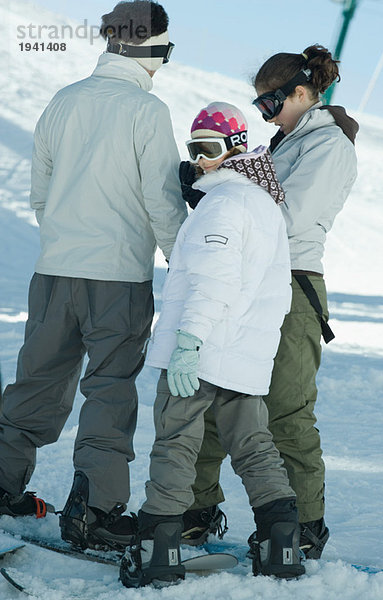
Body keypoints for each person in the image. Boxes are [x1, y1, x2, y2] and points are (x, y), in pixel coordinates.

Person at [0, 0, 187, 551]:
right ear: (150, 46)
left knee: (36, 380)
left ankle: (3, 484)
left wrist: (65, 236)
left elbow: (39, 193)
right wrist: (187, 267)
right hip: (119, 277)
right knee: (108, 388)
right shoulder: (145, 111)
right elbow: (162, 200)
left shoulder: (62, 101)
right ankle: (96, 509)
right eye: (166, 51)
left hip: (54, 271)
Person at [182, 45, 358, 560]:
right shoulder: (284, 142)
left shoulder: (327, 146)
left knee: (284, 408)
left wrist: (222, 196)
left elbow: (287, 220)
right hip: (248, 280)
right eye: (258, 107)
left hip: (292, 282)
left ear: (303, 92)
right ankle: (196, 506)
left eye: (271, 103)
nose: (265, 114)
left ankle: (302, 524)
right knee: (215, 393)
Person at [119, 102, 306, 588]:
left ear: (236, 148)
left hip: (200, 353)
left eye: (209, 149)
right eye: (193, 149)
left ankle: (157, 548)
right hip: (241, 357)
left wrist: (188, 342)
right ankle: (281, 541)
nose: (199, 160)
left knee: (176, 443)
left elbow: (213, 282)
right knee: (253, 445)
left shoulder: (223, 206)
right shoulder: (264, 205)